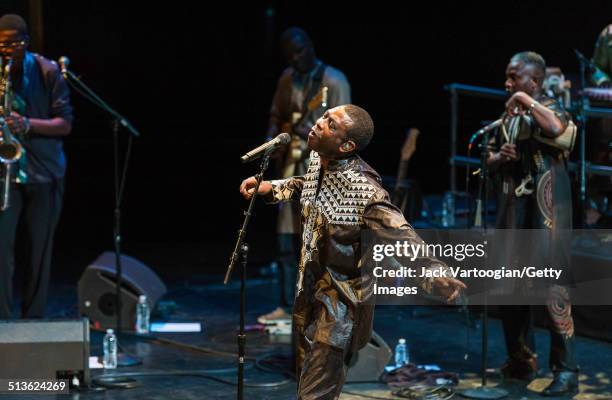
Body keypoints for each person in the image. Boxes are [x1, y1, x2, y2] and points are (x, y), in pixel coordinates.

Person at [240, 104, 466, 399]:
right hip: (309, 294)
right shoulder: (318, 163)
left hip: (341, 307)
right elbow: (307, 186)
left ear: (346, 145)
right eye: (324, 117)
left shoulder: (365, 191)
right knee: (310, 387)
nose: (320, 123)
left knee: (314, 395)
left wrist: (434, 272)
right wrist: (272, 187)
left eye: (331, 125)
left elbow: (400, 234)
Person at [488, 51, 578, 396]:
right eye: (508, 78)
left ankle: (566, 371)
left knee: (553, 289)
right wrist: (500, 158)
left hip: (548, 213)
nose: (507, 84)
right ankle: (521, 359)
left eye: (514, 78)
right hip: (514, 211)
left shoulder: (553, 107)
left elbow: (558, 130)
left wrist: (525, 100)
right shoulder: (509, 114)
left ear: (534, 81)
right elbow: (490, 154)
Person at [259, 27, 351, 324]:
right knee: (287, 238)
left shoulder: (333, 81)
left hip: (322, 172)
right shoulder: (287, 78)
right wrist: (273, 142)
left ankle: (319, 308)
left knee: (318, 242)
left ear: (311, 46)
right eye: (291, 55)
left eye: (301, 51)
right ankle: (287, 307)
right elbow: (276, 114)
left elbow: (346, 132)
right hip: (291, 167)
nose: (297, 59)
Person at [0, 14, 73, 319]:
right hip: (6, 174)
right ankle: (2, 322)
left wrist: (27, 124)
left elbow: (64, 124)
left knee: (39, 254)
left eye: (14, 43)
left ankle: (34, 323)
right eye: (2, 44)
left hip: (44, 173)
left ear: (25, 42)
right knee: (2, 253)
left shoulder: (48, 70)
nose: (8, 50)